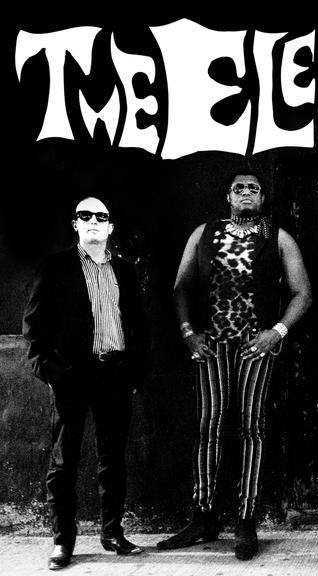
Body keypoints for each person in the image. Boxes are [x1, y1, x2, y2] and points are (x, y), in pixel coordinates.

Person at [156, 171, 311, 560]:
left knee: (251, 427)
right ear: (228, 195)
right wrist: (189, 333)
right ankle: (203, 517)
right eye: (238, 188)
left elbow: (302, 293)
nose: (245, 193)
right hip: (211, 345)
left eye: (253, 189)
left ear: (262, 198)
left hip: (255, 347)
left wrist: (276, 332)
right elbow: (181, 288)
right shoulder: (204, 233)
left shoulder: (277, 238)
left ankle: (246, 521)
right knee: (208, 424)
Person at [23, 197, 148, 570]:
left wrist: (134, 372)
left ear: (111, 227)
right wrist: (51, 372)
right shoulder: (55, 267)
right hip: (72, 376)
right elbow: (33, 326)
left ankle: (112, 533)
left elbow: (139, 324)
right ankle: (63, 542)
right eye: (85, 215)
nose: (93, 220)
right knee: (64, 462)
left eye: (101, 216)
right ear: (75, 224)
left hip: (115, 374)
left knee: (113, 460)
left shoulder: (125, 270)